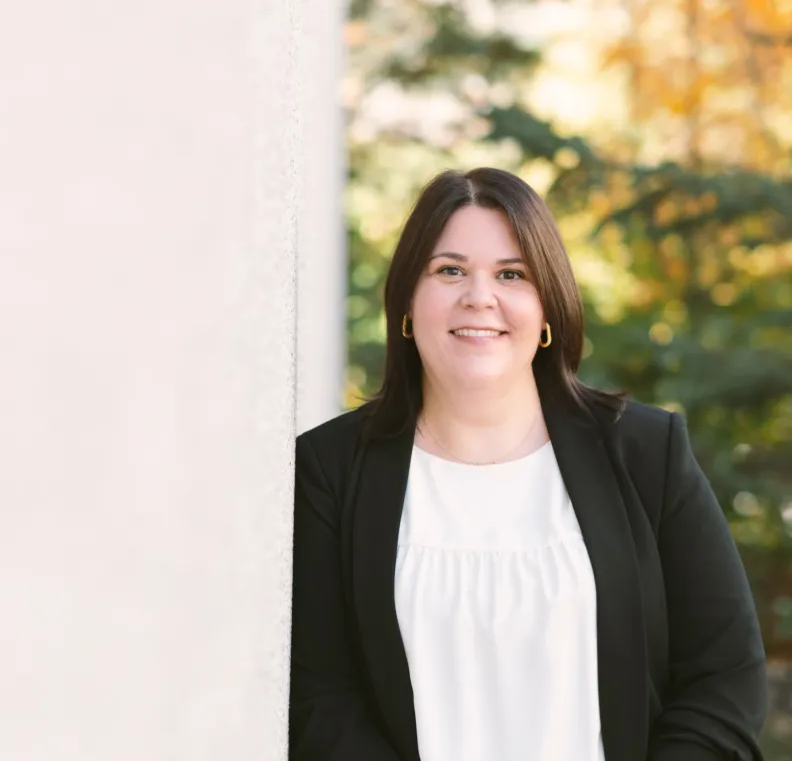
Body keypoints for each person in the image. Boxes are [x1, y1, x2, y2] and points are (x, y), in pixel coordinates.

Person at [288, 167, 767, 761]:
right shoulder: (329, 470)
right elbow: (320, 699)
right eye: (450, 270)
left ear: (546, 310)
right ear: (408, 302)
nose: (479, 297)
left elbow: (725, 678)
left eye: (511, 274)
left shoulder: (647, 453)